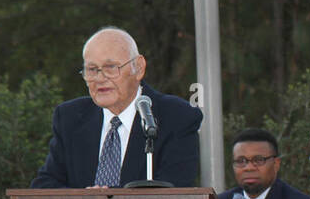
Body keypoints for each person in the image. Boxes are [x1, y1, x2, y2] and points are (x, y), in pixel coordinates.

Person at [31, 27, 202, 189]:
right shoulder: (70, 117)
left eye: (111, 67)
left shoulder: (176, 116)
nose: (100, 78)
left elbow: (176, 189)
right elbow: (45, 185)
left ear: (139, 67)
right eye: (92, 69)